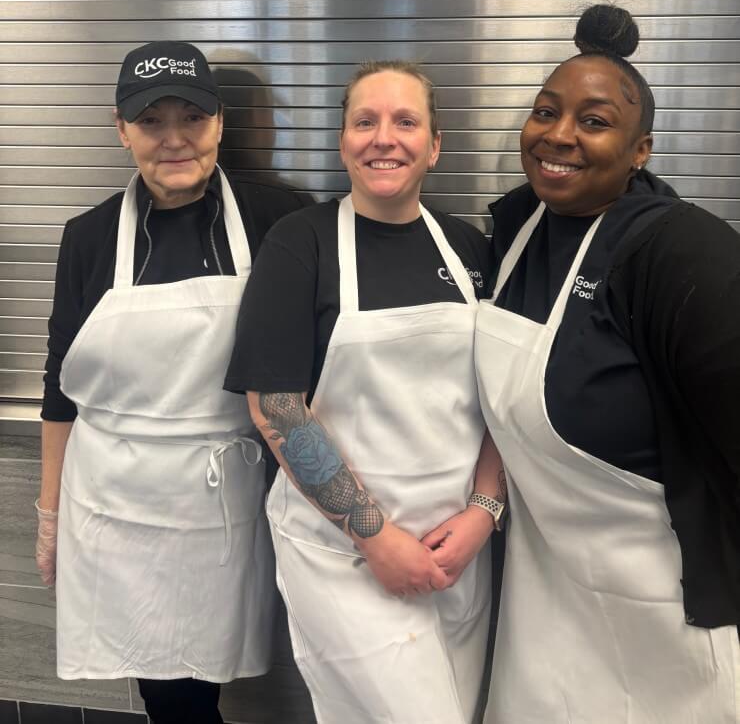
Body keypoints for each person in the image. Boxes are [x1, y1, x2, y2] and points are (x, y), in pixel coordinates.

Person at [476, 5, 740, 723]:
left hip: (661, 605)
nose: (558, 135)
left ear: (641, 148)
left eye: (593, 121)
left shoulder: (684, 254)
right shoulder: (511, 233)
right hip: (540, 593)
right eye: (546, 112)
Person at [225, 61, 506, 724]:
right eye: (365, 121)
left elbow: (503, 396)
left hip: (457, 552)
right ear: (344, 140)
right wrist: (378, 539)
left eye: (406, 121)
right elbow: (277, 408)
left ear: (434, 144)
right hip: (345, 557)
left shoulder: (468, 249)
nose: (385, 137)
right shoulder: (301, 243)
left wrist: (485, 511)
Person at [36, 41, 302, 724]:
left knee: (221, 673)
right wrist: (48, 517)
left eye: (194, 117)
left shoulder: (284, 222)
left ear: (221, 123)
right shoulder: (89, 238)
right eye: (152, 121)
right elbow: (61, 387)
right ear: (121, 128)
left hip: (226, 502)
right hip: (118, 510)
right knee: (168, 694)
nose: (175, 139)